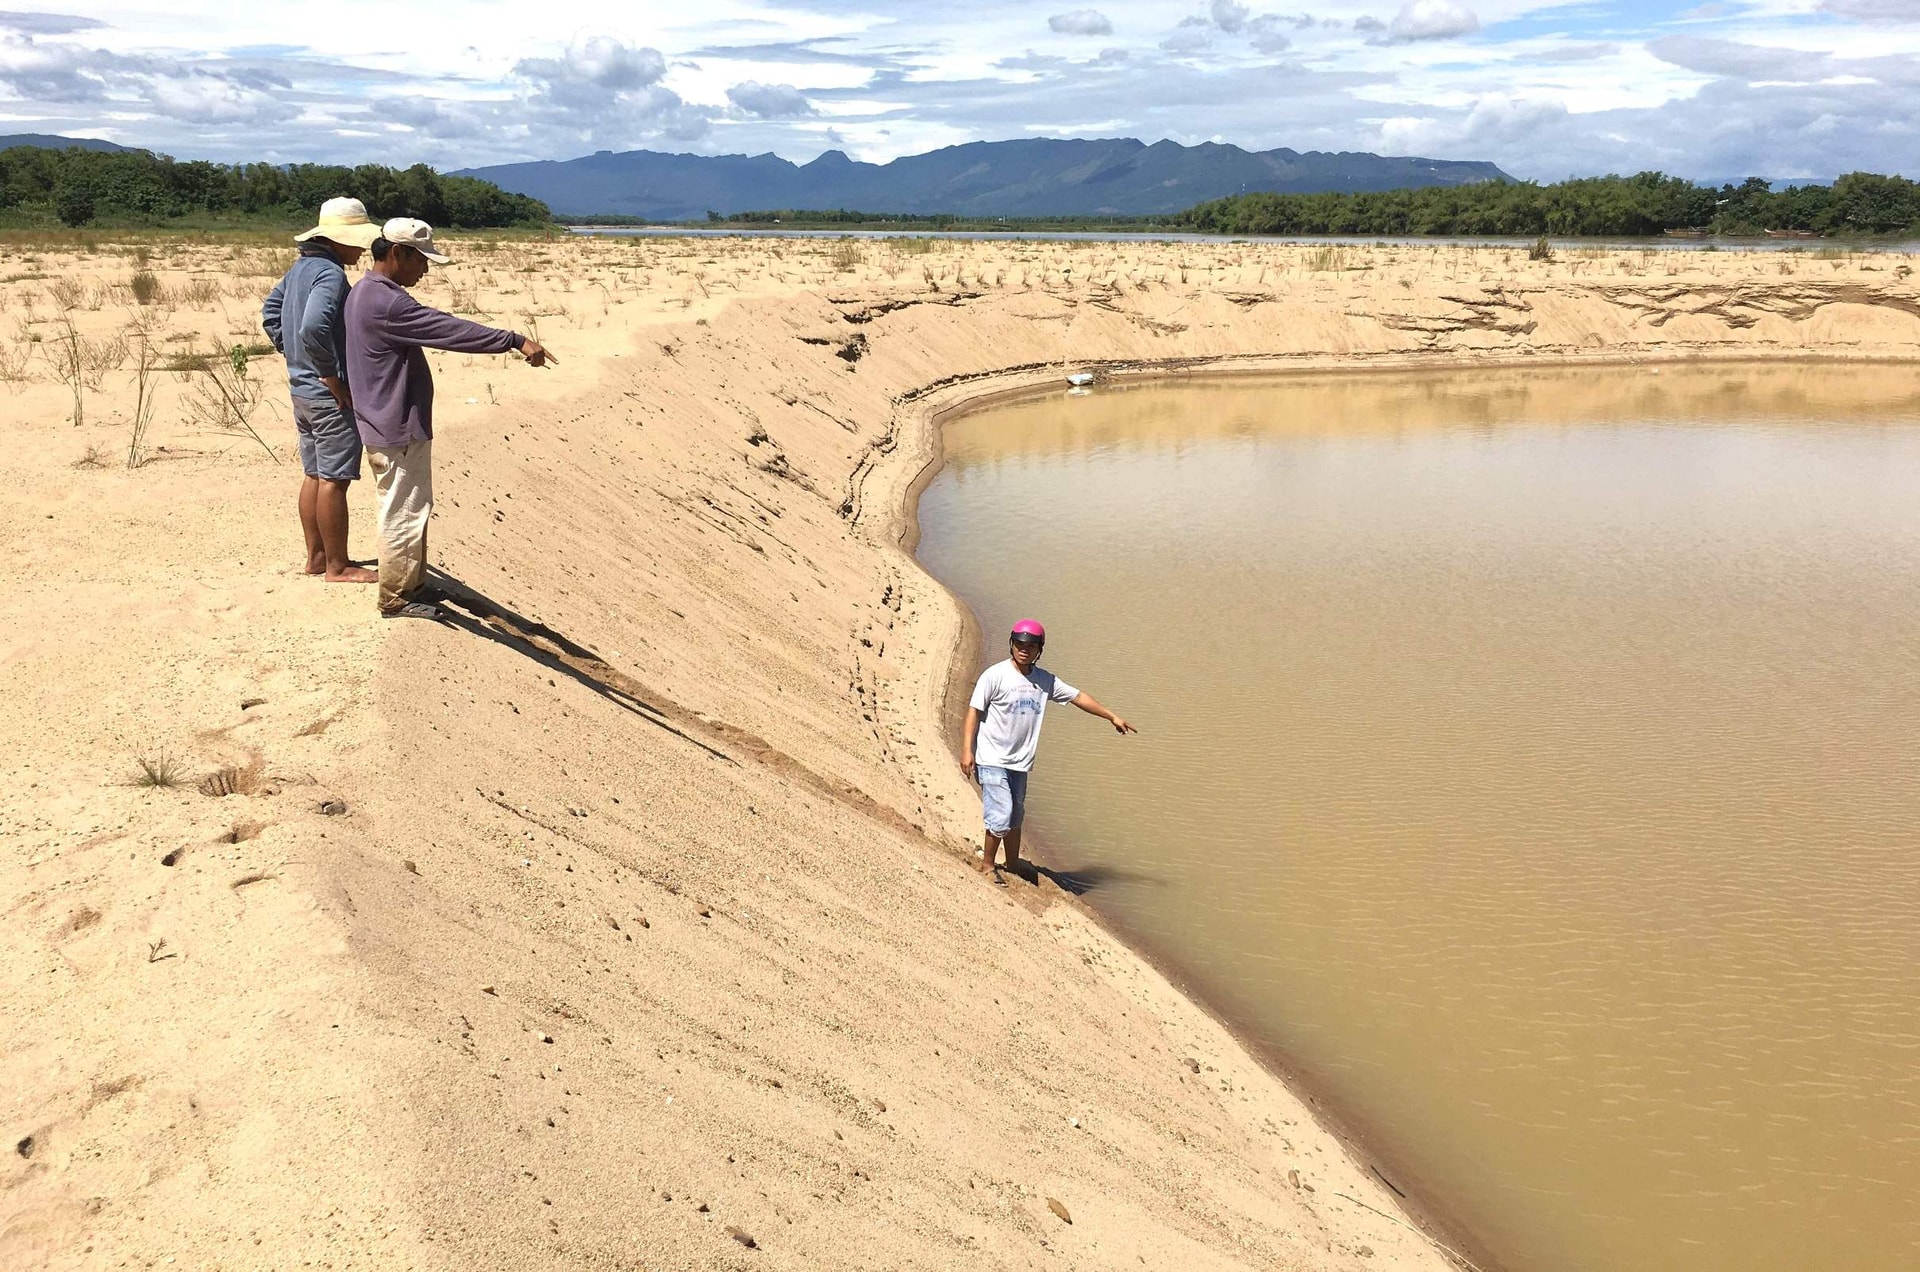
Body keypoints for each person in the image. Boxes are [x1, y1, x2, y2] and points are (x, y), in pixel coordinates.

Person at [343, 217, 555, 619]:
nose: (424, 270)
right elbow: (448, 330)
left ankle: (413, 583)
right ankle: (397, 598)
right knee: (403, 511)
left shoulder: (367, 292)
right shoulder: (386, 301)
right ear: (397, 253)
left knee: (409, 506)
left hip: (382, 420)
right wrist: (513, 340)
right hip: (394, 425)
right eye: (420, 260)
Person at [959, 619, 1135, 885]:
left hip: (1020, 761)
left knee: (1016, 813)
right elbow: (974, 711)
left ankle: (1013, 863)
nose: (1024, 650)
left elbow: (1078, 697)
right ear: (1011, 644)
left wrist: (1111, 716)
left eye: (1030, 646)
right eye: (1019, 644)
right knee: (1002, 813)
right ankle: (986, 865)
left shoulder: (1044, 681)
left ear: (1039, 649)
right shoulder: (994, 676)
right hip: (991, 758)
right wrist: (966, 751)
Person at [262, 197, 382, 583]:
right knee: (335, 479)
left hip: (301, 390)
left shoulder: (299, 269)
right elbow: (313, 327)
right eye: (357, 241)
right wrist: (329, 374)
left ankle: (316, 557)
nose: (362, 249)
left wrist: (294, 356)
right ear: (338, 240)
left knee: (314, 474)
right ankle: (337, 565)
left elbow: (271, 313)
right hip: (326, 393)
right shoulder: (330, 275)